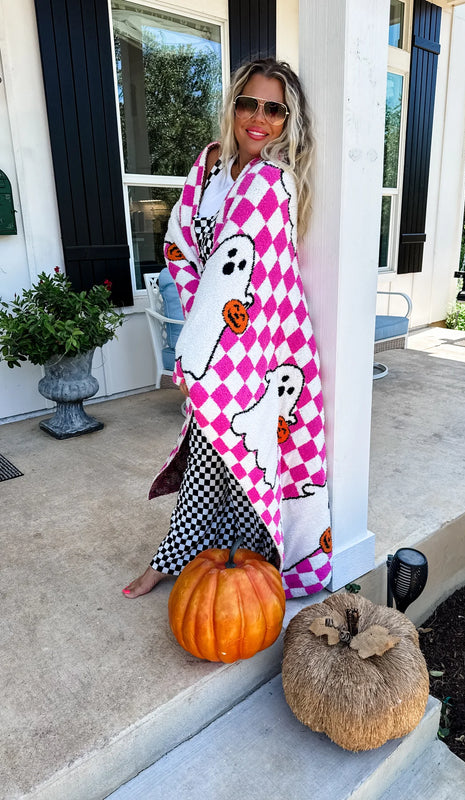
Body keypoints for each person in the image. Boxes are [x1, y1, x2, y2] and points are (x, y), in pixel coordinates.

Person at [123, 58, 331, 600]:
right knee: (212, 446)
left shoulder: (274, 181)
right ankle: (189, 556)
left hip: (266, 338)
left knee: (247, 447)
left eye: (274, 109)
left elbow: (251, 268)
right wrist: (199, 328)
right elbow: (179, 243)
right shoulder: (210, 165)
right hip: (214, 332)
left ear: (289, 121)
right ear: (233, 106)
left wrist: (200, 349)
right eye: (248, 104)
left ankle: (253, 574)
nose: (258, 119)